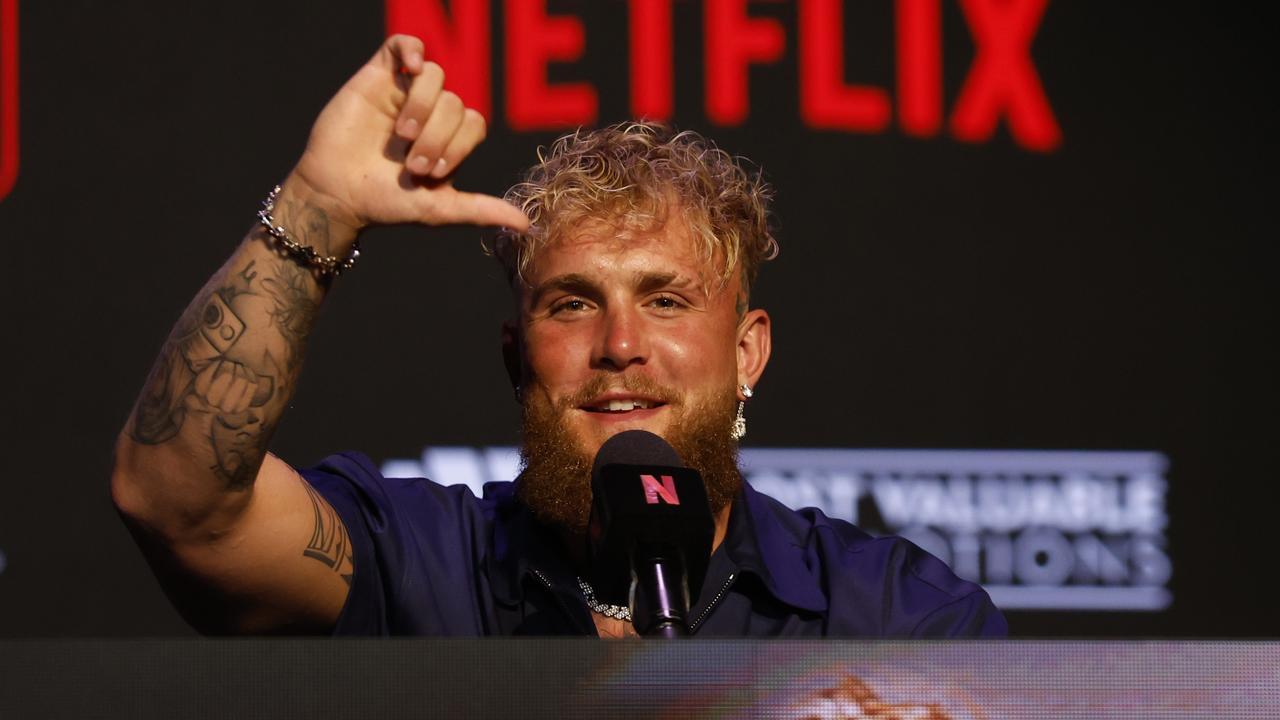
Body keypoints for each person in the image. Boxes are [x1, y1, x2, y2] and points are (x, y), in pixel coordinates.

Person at [111, 36, 1006, 638]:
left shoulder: (896, 617)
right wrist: (319, 204)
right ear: (515, 355)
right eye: (572, 304)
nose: (619, 343)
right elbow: (177, 502)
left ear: (747, 354)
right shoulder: (418, 563)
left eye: (665, 301)